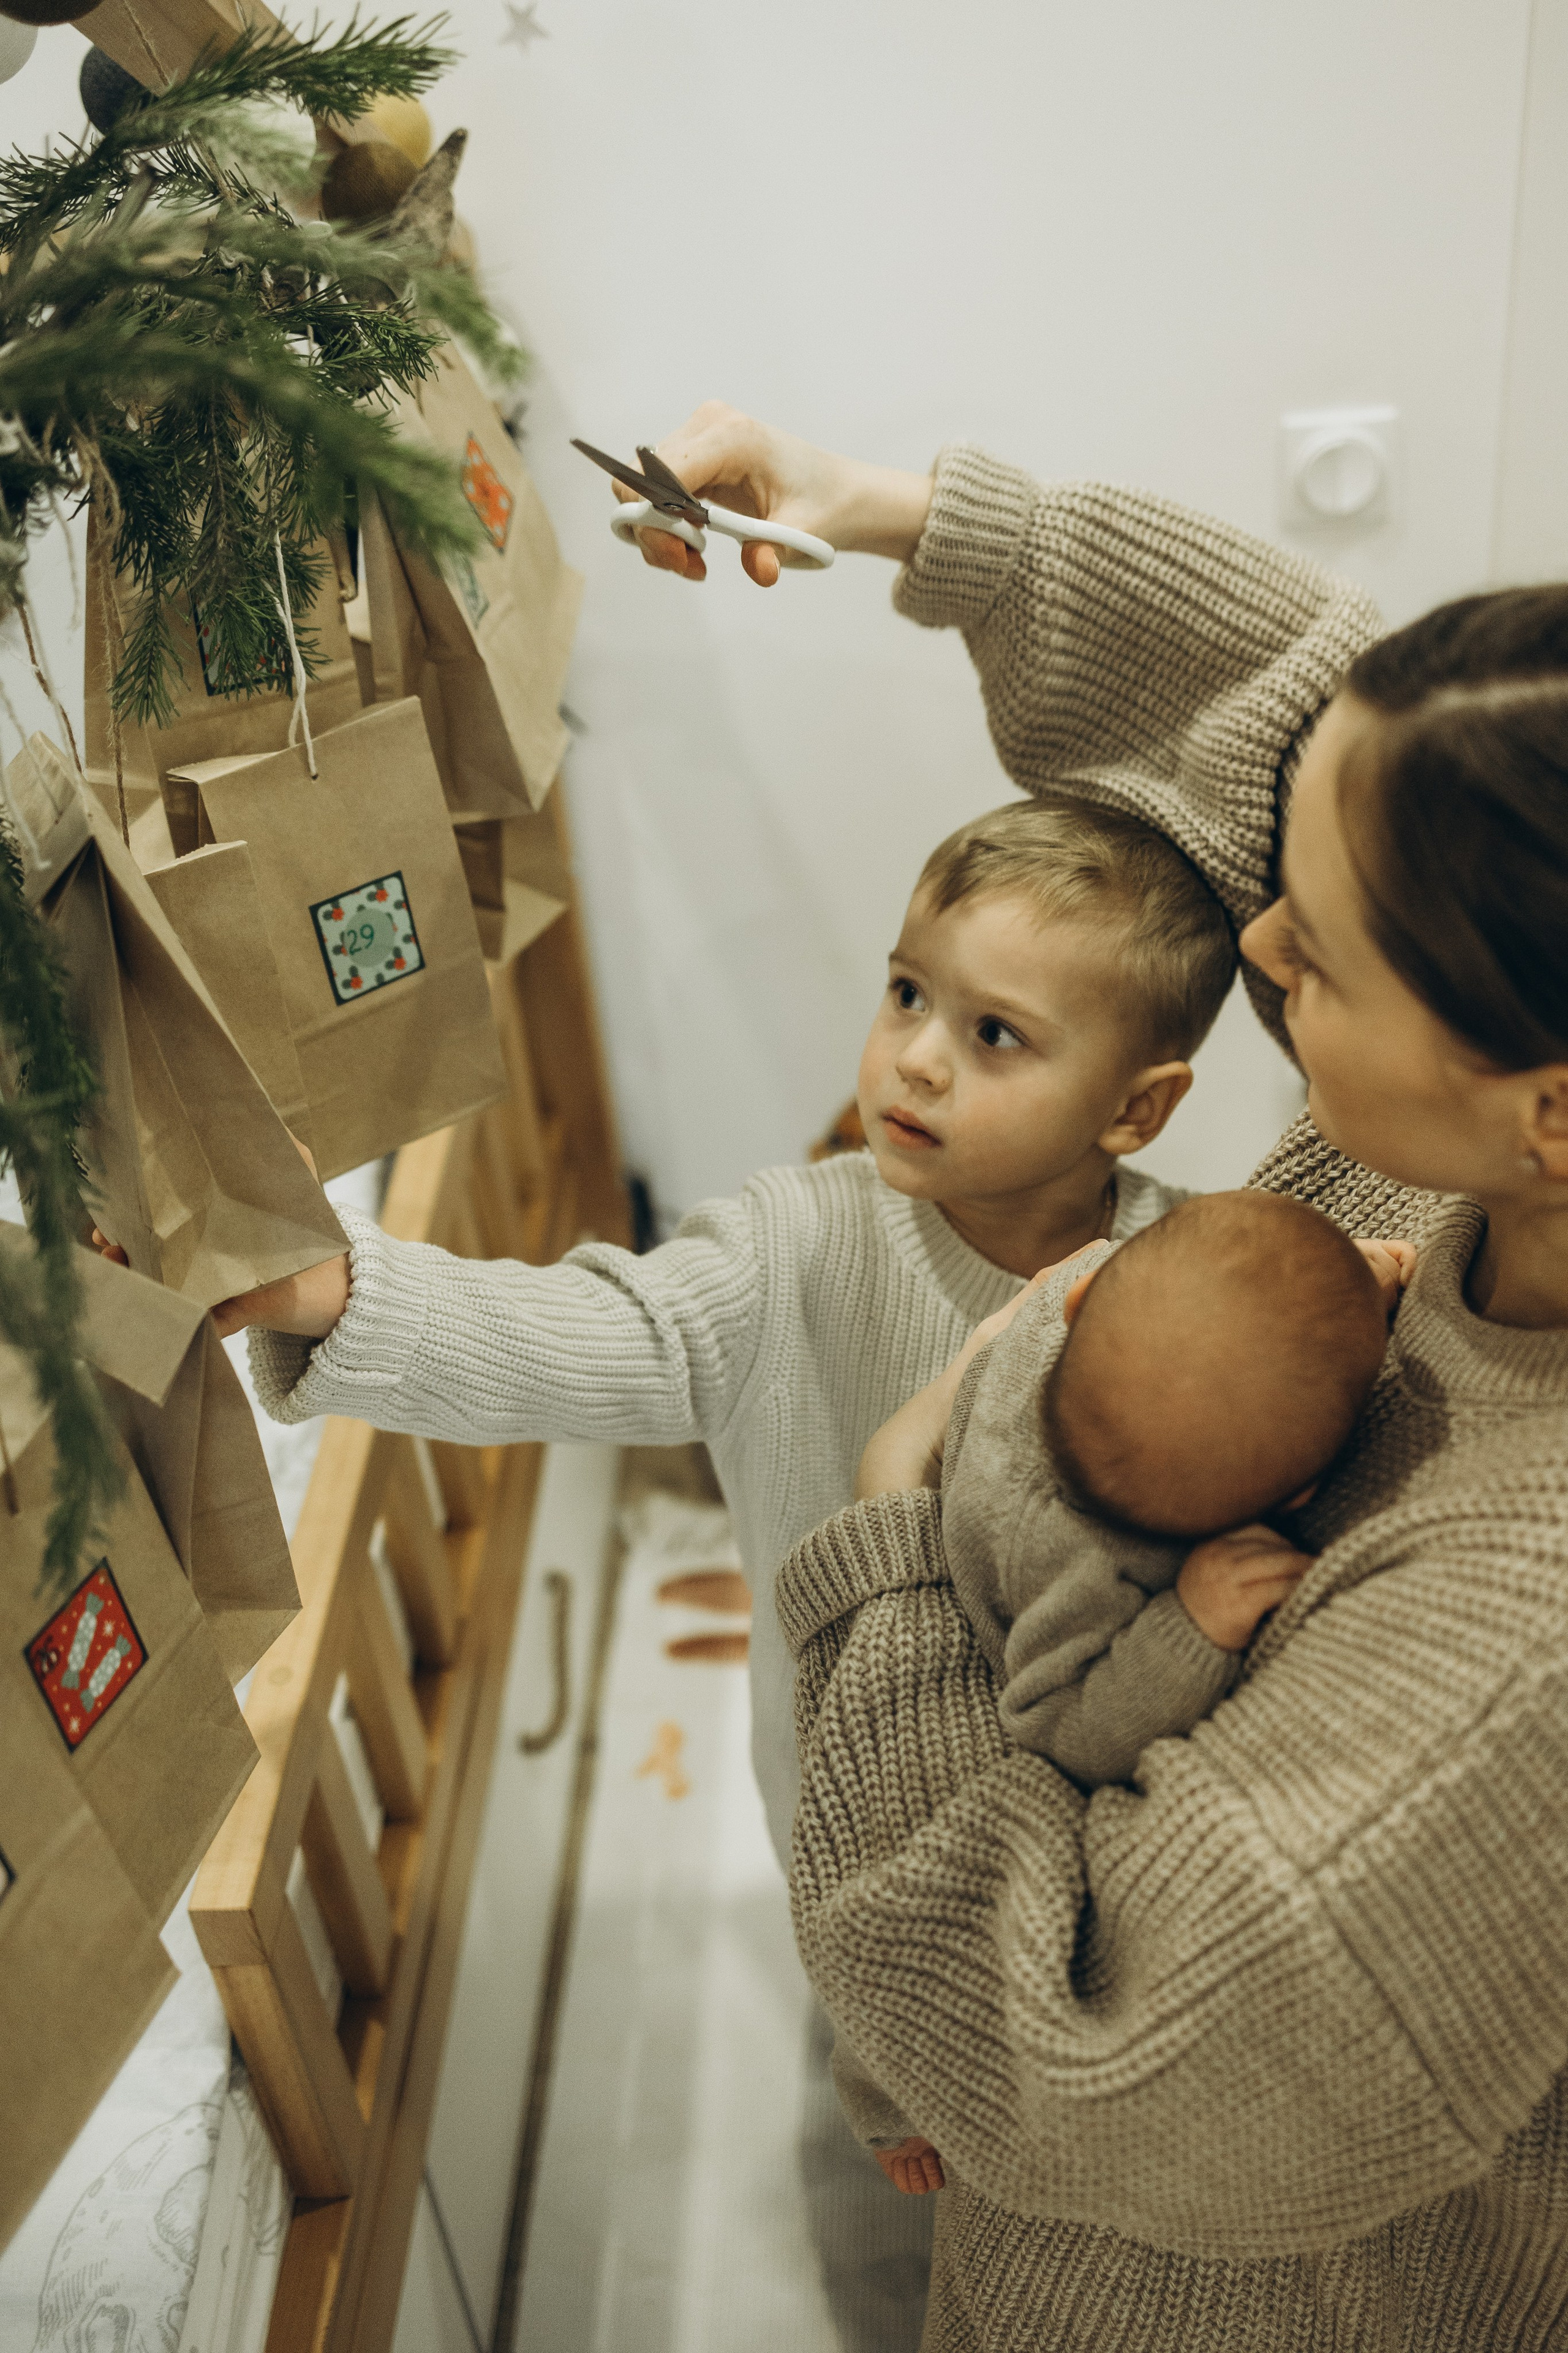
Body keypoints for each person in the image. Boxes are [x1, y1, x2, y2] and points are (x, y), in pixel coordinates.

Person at [637, 406, 1568, 2348]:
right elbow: (1313, 683)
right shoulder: (1479, 1141)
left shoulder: (1515, 1653)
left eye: (1311, 959)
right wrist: (895, 515)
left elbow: (1078, 2053)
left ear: (1544, 1104)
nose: (1252, 940)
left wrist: (893, 1541)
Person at [208, 791, 1232, 1873]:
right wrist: (345, 1292)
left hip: (1076, 1803)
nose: (918, 1056)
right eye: (906, 992)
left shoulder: (1183, 1282)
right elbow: (591, 1332)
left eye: (993, 1033)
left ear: (1135, 1110)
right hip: (843, 1785)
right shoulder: (795, 1242)